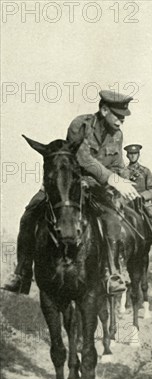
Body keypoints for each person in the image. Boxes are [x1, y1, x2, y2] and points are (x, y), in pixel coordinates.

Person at [2, 90, 139, 294]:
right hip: (70, 184)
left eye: (123, 118)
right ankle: (21, 274)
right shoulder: (80, 125)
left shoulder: (117, 135)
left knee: (113, 221)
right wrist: (114, 179)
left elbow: (119, 164)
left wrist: (123, 179)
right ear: (103, 110)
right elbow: (83, 159)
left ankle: (112, 274)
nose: (121, 122)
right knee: (29, 214)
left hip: (99, 189)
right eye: (117, 116)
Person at [124, 144, 152, 260]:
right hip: (127, 202)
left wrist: (142, 196)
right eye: (130, 154)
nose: (133, 156)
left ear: (138, 155)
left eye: (135, 154)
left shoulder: (145, 171)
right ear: (127, 155)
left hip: (143, 203)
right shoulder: (123, 172)